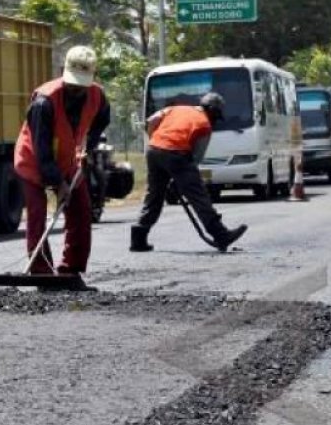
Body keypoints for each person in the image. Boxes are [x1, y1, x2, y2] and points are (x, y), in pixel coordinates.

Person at [14, 45, 111, 278]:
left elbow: (102, 119)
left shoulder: (98, 95)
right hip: (33, 160)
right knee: (37, 215)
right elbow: (42, 151)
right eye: (73, 84)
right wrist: (59, 185)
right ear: (62, 71)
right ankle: (41, 272)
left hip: (69, 159)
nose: (76, 90)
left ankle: (71, 269)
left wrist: (91, 144)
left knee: (81, 210)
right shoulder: (44, 102)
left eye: (81, 85)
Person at [130, 92, 248, 252]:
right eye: (215, 115)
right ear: (212, 111)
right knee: (198, 196)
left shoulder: (175, 109)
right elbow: (197, 156)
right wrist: (184, 179)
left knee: (154, 195)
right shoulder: (204, 124)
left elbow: (151, 121)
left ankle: (138, 237)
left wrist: (154, 141)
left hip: (154, 150)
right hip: (177, 154)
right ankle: (220, 234)